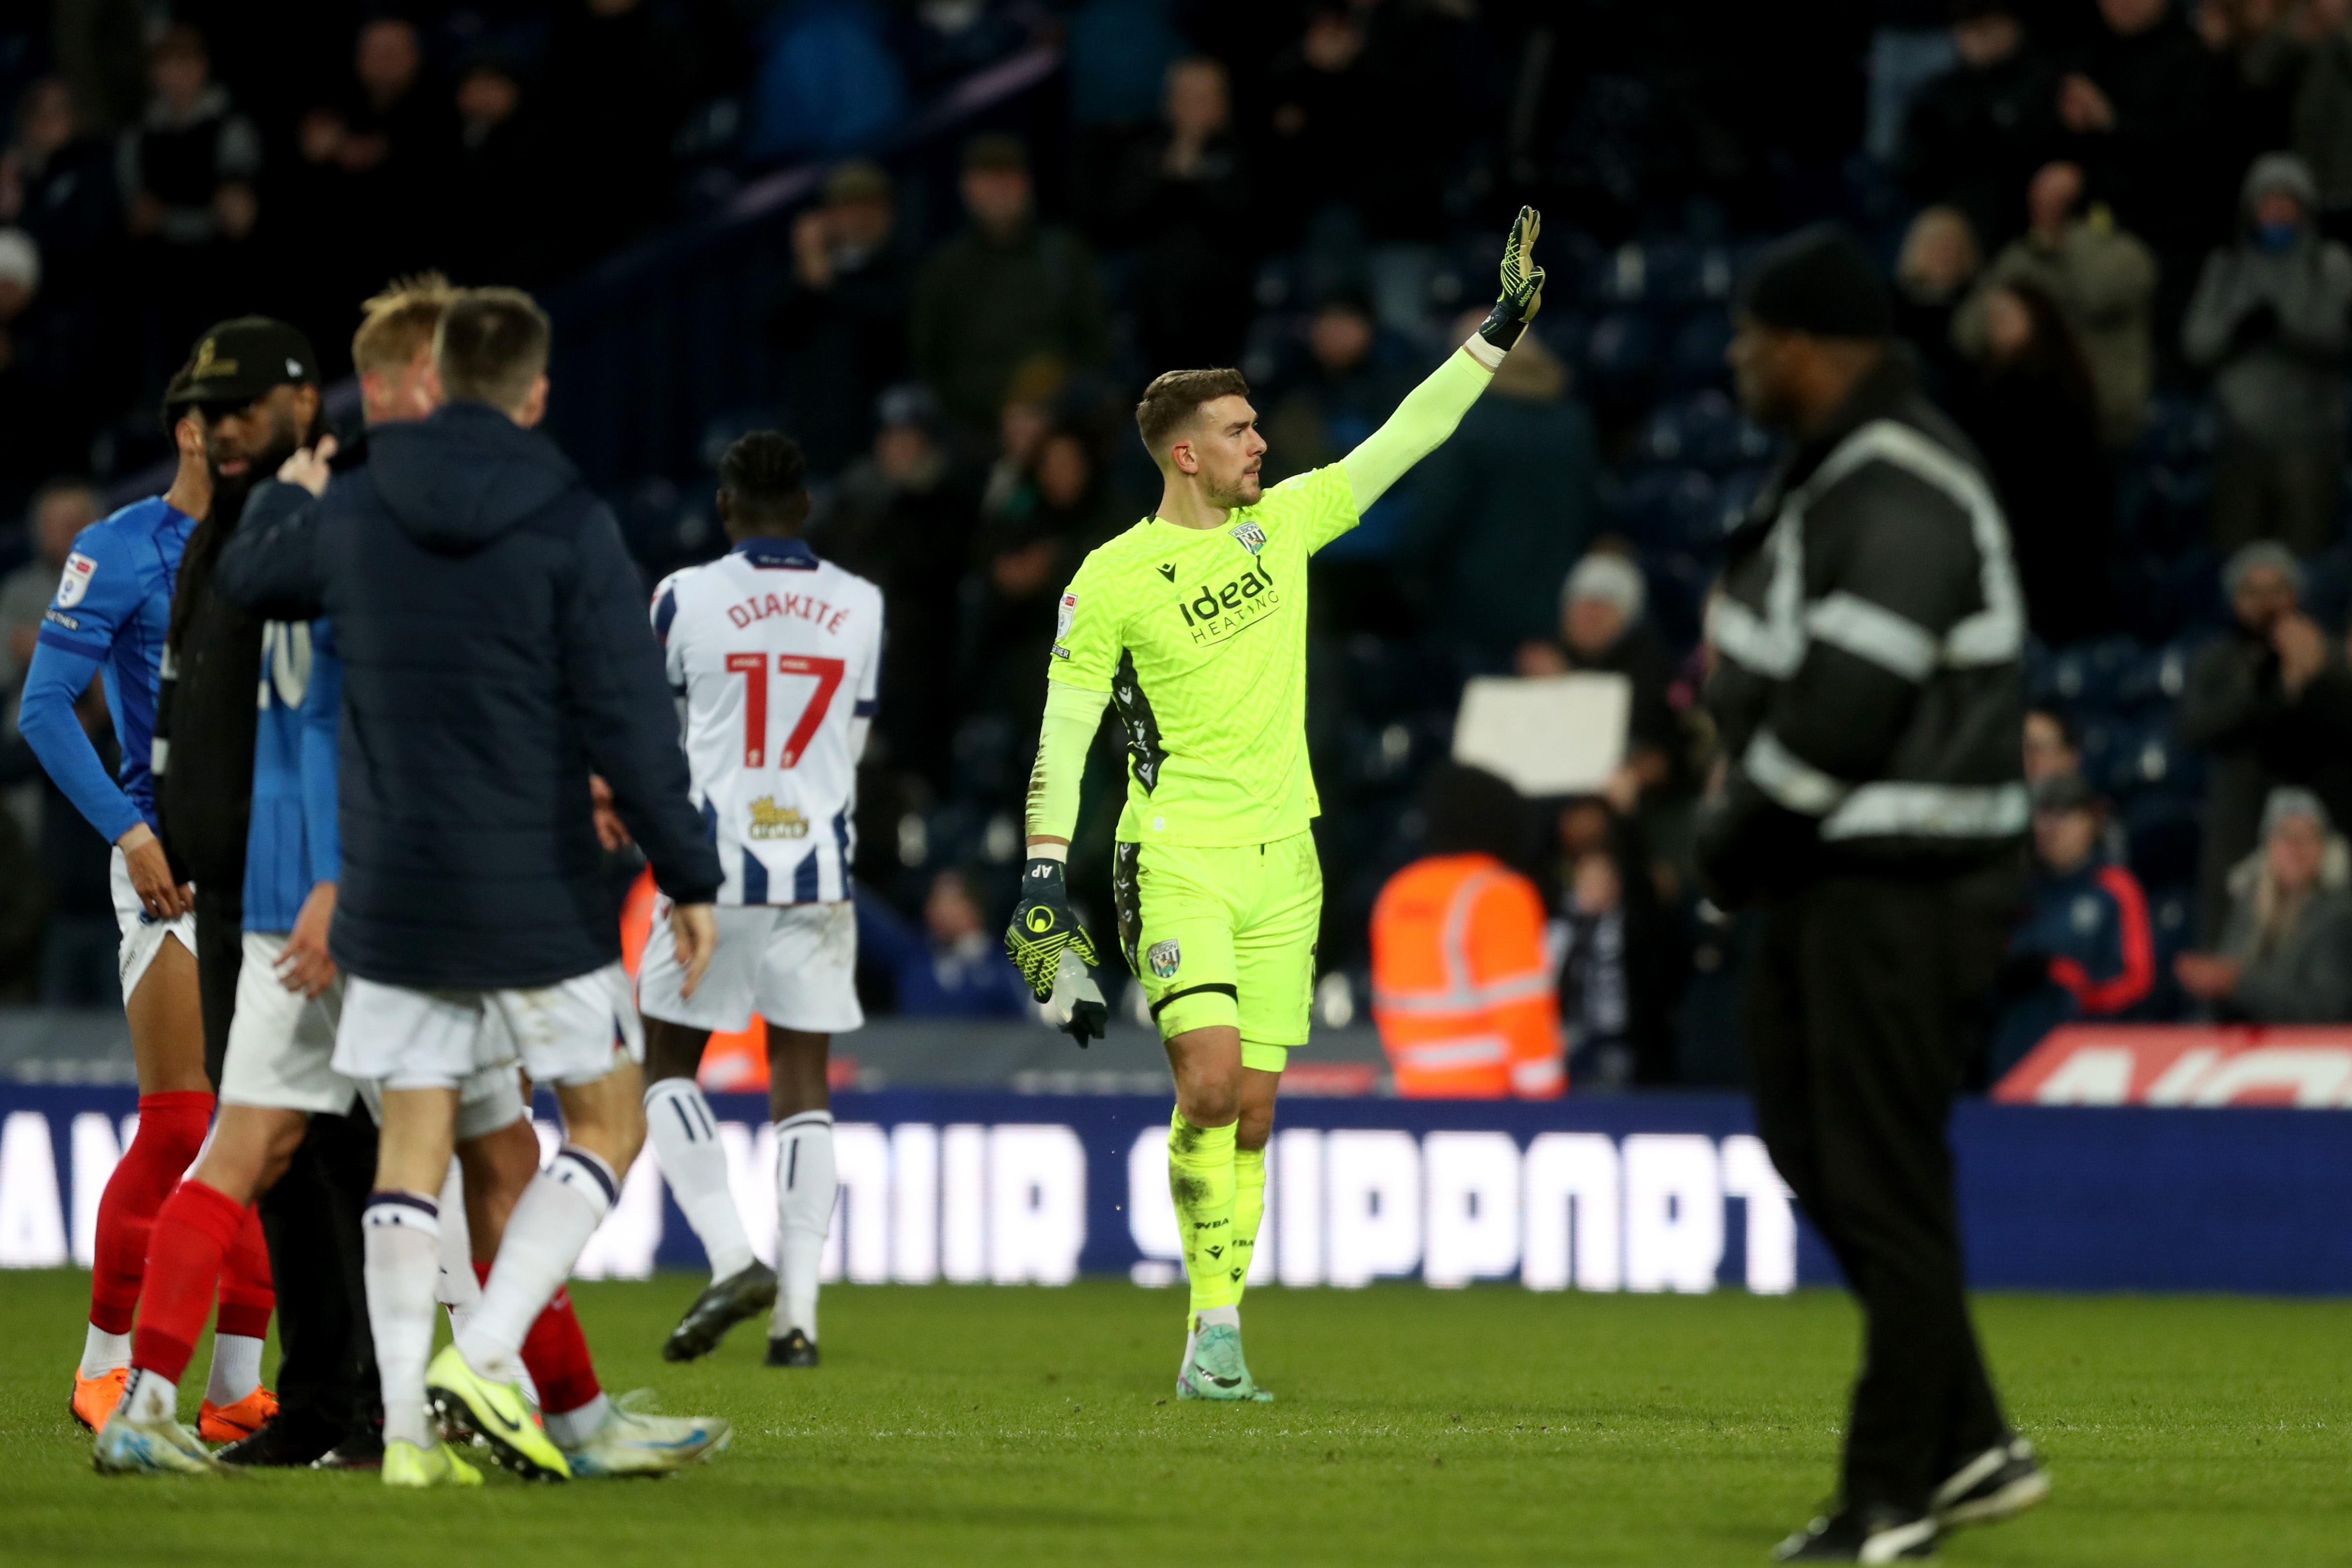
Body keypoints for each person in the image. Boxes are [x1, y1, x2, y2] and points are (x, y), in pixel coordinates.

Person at [1003, 207, 1548, 1401]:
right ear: (1183, 453)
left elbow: (1408, 439)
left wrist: (1493, 334)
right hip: (1178, 856)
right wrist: (1046, 870)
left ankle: (1218, 1337)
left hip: (1284, 861)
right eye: (1240, 430)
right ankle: (1208, 1324)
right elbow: (1063, 728)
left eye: (1256, 425)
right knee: (1203, 1082)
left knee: (1250, 1113)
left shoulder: (1286, 523)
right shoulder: (1111, 580)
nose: (1262, 441)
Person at [210, 287, 725, 1488]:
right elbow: (628, 715)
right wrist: (686, 871)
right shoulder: (562, 514)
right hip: (530, 889)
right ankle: (480, 1355)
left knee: (415, 1145)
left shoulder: (360, 503)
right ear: (536, 391)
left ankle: (400, 1445)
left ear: (432, 371)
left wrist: (293, 482)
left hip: (389, 893)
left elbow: (250, 575)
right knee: (610, 1116)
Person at [1699, 224, 2047, 1559]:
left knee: (1885, 1177)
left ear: (1807, 348)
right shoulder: (1843, 471)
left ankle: (1890, 1490)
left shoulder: (1897, 480)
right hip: (1842, 872)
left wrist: (1734, 835)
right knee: (1813, 1143)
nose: (1736, 358)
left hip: (1913, 870)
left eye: (1750, 338)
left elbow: (1849, 704)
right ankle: (1969, 1437)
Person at [20, 358, 277, 1435]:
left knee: (267, 1125)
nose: (238, 437)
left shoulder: (282, 539)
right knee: (181, 1120)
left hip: (272, 858)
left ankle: (232, 1389)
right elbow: (43, 709)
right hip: (169, 860)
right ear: (183, 426)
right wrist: (129, 833)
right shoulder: (117, 547)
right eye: (222, 418)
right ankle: (103, 1364)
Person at [638, 431, 882, 1370]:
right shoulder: (861, 604)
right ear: (808, 507)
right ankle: (800, 1321)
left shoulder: (680, 597)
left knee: (662, 1060)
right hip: (817, 869)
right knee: (803, 1083)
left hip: (715, 868)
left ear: (726, 507)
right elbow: (849, 739)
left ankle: (733, 1256)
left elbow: (660, 734)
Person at [2177, 541, 2352, 943]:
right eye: (2253, 592)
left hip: (2318, 822)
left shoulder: (2322, 653)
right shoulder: (2216, 661)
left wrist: (2319, 675)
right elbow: (2195, 730)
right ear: (2234, 600)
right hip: (2239, 822)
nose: (2267, 604)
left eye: (2277, 590)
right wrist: (2268, 688)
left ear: (2296, 595)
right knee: (2234, 946)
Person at [2183, 151, 2352, 556]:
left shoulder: (2330, 265)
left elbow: (2339, 337)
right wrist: (2238, 331)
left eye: (2286, 202)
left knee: (2303, 569)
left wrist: (2286, 327)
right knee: (2237, 567)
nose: (2276, 212)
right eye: (2267, 201)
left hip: (2309, 446)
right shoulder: (2226, 267)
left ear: (2305, 208)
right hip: (2237, 445)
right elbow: (2196, 344)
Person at [1400, 319, 1597, 662]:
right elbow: (1591, 512)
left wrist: (1408, 577)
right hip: (1559, 608)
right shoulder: (1573, 422)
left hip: (1476, 615)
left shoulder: (1465, 423)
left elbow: (1435, 516)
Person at [1369, 764, 1562, 1098]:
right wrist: (1546, 1099)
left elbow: (1388, 1007)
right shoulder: (1500, 893)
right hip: (1493, 1102)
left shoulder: (1398, 892)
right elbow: (1521, 1012)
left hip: (1416, 1096)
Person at [1948, 278, 2119, 646]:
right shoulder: (1983, 389)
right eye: (1993, 316)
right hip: (2005, 538)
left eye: (2008, 315)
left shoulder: (2059, 391)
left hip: (2056, 549)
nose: (1997, 324)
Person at [911, 134, 1109, 435]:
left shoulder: (1062, 254)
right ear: (968, 189)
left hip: (1059, 429)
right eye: (988, 181)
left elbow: (1095, 343)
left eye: (1008, 180)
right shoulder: (945, 268)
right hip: (970, 434)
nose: (999, 192)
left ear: (1027, 185)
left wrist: (1049, 404)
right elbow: (926, 360)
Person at [1953, 160, 2157, 449]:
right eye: (2039, 201)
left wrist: (2074, 235)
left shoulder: (2126, 256)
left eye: (2061, 203)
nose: (2046, 212)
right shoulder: (2019, 258)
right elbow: (1965, 333)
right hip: (2029, 423)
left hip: (2106, 429)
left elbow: (2097, 295)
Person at [1988, 772, 2156, 1078]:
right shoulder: (2018, 889)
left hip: (2084, 1056)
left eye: (2062, 816)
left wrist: (2063, 977)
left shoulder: (2115, 889)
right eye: (2042, 817)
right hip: (2013, 1049)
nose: (2049, 829)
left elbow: (2137, 981)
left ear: (2089, 822)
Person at [1519, 551, 1689, 813]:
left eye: (1602, 607)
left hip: (1629, 808)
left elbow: (1664, 753)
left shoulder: (1651, 667)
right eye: (1582, 605)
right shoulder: (1548, 657)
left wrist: (1565, 686)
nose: (1589, 616)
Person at [771, 160, 911, 475]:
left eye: (869, 207)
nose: (858, 219)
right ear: (828, 217)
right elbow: (773, 329)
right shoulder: (805, 280)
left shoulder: (904, 270)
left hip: (881, 441)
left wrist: (826, 285)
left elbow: (890, 320)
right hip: (811, 440)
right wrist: (808, 273)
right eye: (847, 207)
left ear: (889, 213)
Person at [2176, 786, 2352, 1020]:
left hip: (2306, 1050)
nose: (2295, 850)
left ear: (2322, 849)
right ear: (2269, 846)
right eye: (2286, 837)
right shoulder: (2250, 907)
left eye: (2306, 838)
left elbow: (2326, 1009)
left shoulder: (2338, 915)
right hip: (2248, 1046)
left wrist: (2237, 982)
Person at [853, 869, 1038, 1018]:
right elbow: (863, 912)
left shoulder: (1003, 964)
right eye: (935, 900)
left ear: (975, 908)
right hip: (911, 1057)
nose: (939, 909)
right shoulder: (911, 955)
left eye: (950, 901)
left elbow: (1023, 1030)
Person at [0, 478, 102, 698]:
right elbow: (7, 659)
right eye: (51, 525)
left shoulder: (121, 585)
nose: (59, 534)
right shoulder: (19, 592)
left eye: (70, 523)